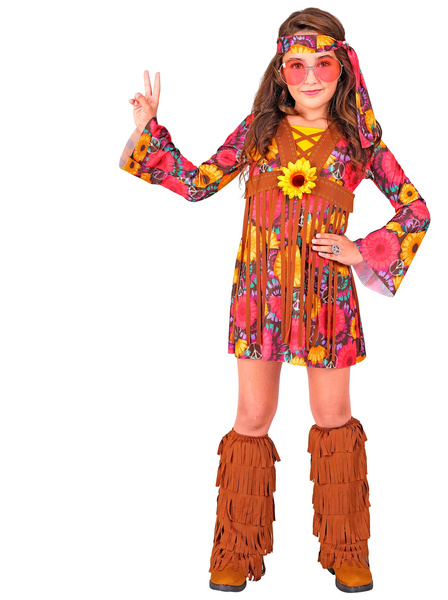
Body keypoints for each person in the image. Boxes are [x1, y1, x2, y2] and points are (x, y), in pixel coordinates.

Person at [119, 7, 430, 594]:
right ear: (281, 71)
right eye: (297, 65)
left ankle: (345, 547)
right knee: (253, 417)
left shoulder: (360, 143)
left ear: (344, 69)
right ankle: (237, 548)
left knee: (332, 416)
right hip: (258, 297)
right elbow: (198, 183)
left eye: (323, 64)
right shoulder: (258, 132)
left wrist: (361, 250)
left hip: (327, 301)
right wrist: (150, 129)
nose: (310, 77)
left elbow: (416, 210)